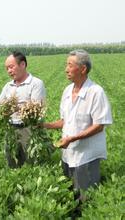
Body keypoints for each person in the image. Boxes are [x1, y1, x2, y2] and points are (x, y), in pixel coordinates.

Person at [43, 49, 112, 200]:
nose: (66, 69)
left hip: (86, 156)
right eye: (66, 64)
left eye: (70, 65)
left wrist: (72, 139)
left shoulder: (95, 92)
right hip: (68, 154)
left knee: (85, 199)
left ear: (83, 69)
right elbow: (64, 121)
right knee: (70, 196)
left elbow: (99, 125)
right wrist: (43, 125)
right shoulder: (67, 91)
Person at [0, 51, 46, 168]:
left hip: (29, 129)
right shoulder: (8, 86)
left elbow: (36, 110)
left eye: (11, 67)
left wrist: (15, 107)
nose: (9, 71)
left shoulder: (36, 84)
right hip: (11, 130)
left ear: (22, 65)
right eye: (7, 68)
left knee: (30, 163)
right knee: (12, 162)